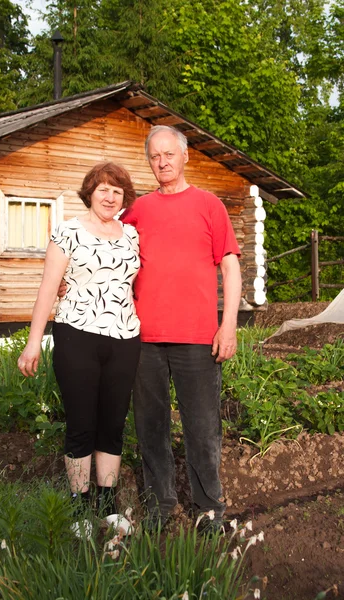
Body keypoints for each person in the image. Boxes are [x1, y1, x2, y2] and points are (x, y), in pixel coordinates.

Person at [120, 125, 242, 534]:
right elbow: (103, 245)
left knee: (202, 427)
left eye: (169, 154)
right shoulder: (137, 210)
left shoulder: (210, 205)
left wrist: (228, 326)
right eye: (155, 156)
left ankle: (209, 509)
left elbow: (229, 265)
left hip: (197, 337)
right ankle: (160, 504)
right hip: (145, 338)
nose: (162, 162)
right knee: (150, 426)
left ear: (185, 155)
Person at [18, 162, 141, 534]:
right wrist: (32, 342)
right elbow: (48, 288)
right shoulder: (67, 231)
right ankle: (77, 511)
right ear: (90, 192)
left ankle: (107, 506)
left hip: (125, 339)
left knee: (113, 425)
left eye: (117, 191)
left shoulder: (132, 235)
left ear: (124, 198)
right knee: (82, 423)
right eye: (103, 188)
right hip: (77, 335)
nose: (109, 196)